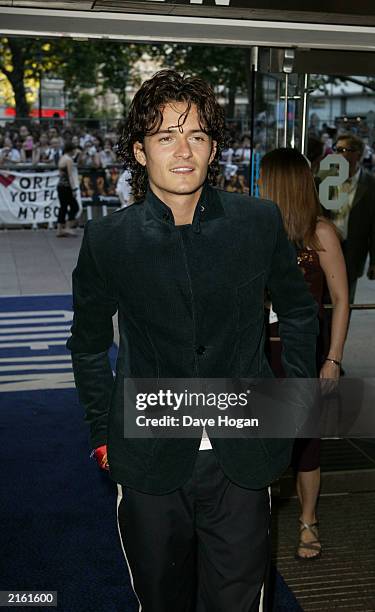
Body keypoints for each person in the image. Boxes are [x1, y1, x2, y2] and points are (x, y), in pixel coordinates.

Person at [67, 70, 318, 611]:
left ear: (212, 148)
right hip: (149, 456)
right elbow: (87, 345)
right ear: (139, 151)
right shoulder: (109, 239)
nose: (184, 152)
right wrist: (100, 430)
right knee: (161, 600)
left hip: (243, 454)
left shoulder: (257, 222)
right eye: (165, 137)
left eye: (198, 136)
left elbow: (299, 313)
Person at [259, 148, 349, 560]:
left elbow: (340, 300)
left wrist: (332, 359)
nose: (257, 184)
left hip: (303, 357)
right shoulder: (256, 230)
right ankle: (251, 524)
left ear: (280, 183)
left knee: (306, 445)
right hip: (258, 355)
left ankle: (308, 521)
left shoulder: (321, 232)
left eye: (263, 178)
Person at [330, 133, 375, 303]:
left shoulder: (370, 184)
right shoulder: (324, 179)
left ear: (359, 154)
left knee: (345, 302)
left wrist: (374, 262)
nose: (341, 154)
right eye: (338, 149)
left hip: (353, 251)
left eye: (346, 150)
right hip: (326, 247)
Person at [56, 141, 79, 237]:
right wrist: (74, 189)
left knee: (63, 207)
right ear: (71, 150)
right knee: (74, 207)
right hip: (66, 186)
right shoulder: (68, 160)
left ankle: (60, 230)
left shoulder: (62, 158)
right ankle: (67, 228)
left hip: (60, 186)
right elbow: (70, 175)